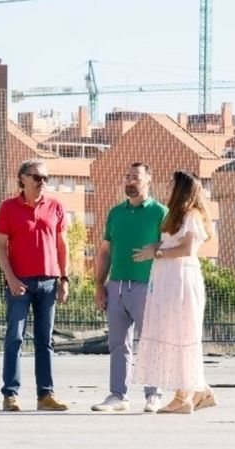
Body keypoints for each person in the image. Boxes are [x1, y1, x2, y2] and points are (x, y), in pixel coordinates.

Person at [131, 170, 218, 414]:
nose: (167, 186)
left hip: (181, 280)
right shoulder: (175, 215)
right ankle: (199, 391)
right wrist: (156, 247)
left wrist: (157, 253)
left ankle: (183, 397)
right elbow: (173, 242)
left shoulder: (191, 215)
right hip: (168, 279)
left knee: (181, 333)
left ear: (181, 189)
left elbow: (188, 249)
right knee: (172, 331)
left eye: (171, 183)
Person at [0, 159, 70, 412]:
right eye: (37, 177)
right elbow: (0, 247)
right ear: (23, 178)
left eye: (46, 178)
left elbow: (62, 245)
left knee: (45, 340)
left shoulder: (55, 206)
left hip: (49, 281)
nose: (42, 182)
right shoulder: (8, 208)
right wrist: (11, 279)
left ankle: (45, 395)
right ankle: (10, 394)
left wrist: (64, 278)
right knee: (15, 337)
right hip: (20, 283)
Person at [92, 163, 167, 413]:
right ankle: (118, 396)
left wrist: (156, 250)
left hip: (148, 287)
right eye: (127, 177)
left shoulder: (161, 213)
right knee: (117, 344)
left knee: (150, 341)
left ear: (148, 181)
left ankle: (153, 394)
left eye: (136, 177)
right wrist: (99, 285)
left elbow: (173, 247)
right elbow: (105, 250)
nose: (130, 181)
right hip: (117, 286)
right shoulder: (115, 213)